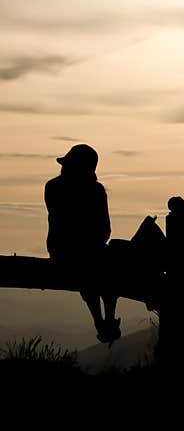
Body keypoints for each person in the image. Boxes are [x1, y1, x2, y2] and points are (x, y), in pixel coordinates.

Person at [44, 144, 120, 343]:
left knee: (92, 269)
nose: (62, 168)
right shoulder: (94, 191)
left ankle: (102, 321)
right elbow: (104, 228)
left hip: (63, 250)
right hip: (71, 251)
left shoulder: (53, 187)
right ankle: (107, 319)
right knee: (103, 267)